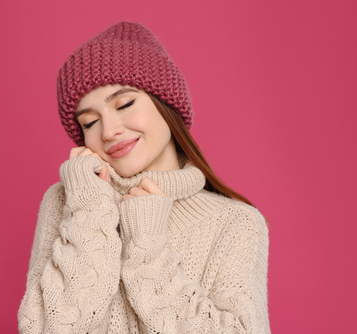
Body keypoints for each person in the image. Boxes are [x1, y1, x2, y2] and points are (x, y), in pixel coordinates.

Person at [18, 21, 270, 334]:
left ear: (165, 102)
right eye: (89, 122)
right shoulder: (67, 201)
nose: (108, 131)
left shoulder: (235, 222)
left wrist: (148, 247)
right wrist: (89, 209)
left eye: (124, 104)